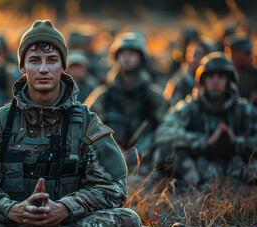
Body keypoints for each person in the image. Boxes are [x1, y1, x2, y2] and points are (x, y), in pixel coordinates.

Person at [0, 20, 142, 227]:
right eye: (34, 60)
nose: (43, 69)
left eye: (51, 60)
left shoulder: (85, 122)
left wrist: (66, 208)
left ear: (63, 66)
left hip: (66, 225)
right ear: (22, 67)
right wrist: (11, 210)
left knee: (129, 222)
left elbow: (113, 187)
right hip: (12, 225)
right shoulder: (2, 122)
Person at [152, 52, 257, 186]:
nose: (215, 81)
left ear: (229, 80)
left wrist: (237, 142)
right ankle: (197, 184)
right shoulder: (191, 107)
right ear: (203, 80)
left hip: (236, 165)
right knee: (163, 153)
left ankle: (246, 185)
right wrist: (203, 141)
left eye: (220, 76)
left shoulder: (243, 109)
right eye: (210, 76)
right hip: (200, 166)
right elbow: (163, 132)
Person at [86, 32, 169, 164]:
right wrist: (110, 147)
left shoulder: (154, 95)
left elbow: (168, 128)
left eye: (131, 54)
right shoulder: (103, 94)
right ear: (115, 58)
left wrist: (143, 148)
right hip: (108, 161)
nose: (126, 58)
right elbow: (87, 127)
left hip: (145, 162)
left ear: (141, 58)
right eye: (122, 54)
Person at [163, 40, 213, 105]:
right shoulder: (179, 82)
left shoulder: (215, 80)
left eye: (201, 55)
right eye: (194, 55)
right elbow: (169, 105)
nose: (196, 60)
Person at [230, 37, 257, 106]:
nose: (250, 56)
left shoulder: (254, 74)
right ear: (234, 53)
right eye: (246, 53)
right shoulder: (226, 75)